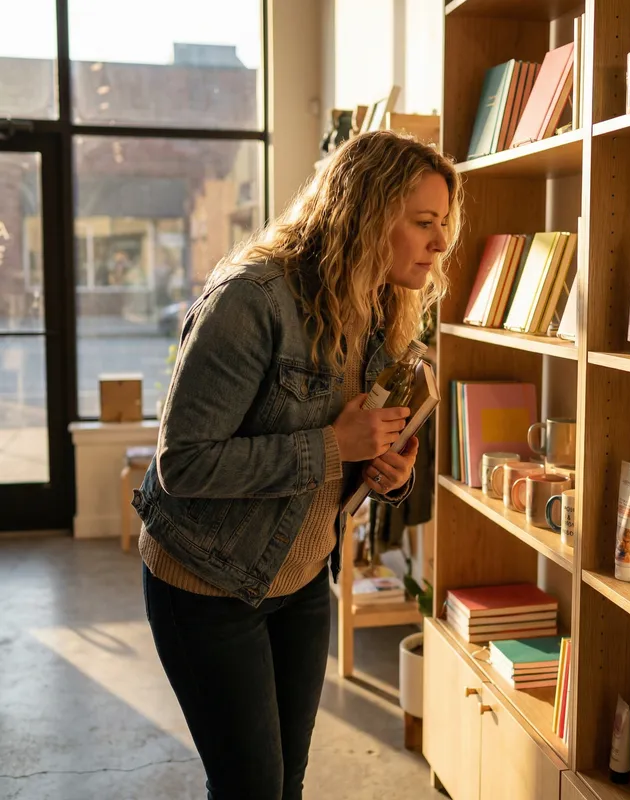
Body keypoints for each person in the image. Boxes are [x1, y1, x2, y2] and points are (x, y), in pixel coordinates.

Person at [132, 130, 463, 800]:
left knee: (287, 782)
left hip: (304, 575)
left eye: (445, 226)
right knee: (251, 788)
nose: (440, 243)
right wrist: (335, 446)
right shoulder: (252, 299)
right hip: (206, 582)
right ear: (367, 215)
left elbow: (348, 450)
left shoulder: (383, 304)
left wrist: (386, 475)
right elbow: (184, 465)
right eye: (424, 223)